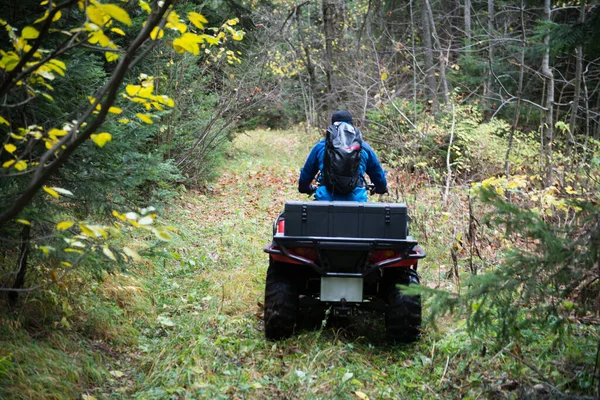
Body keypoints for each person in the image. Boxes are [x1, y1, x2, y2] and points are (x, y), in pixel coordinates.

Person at [298, 110, 387, 202]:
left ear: (333, 125)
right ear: (351, 124)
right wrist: (381, 188)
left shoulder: (322, 146)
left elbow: (306, 174)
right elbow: (378, 174)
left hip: (325, 200)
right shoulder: (363, 147)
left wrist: (305, 188)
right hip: (356, 201)